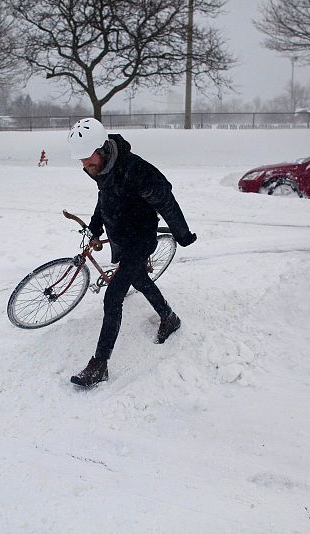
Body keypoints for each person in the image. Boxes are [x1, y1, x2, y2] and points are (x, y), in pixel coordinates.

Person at [67, 118, 197, 387]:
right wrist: (95, 226)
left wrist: (182, 235)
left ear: (103, 149)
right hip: (121, 237)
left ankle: (100, 364)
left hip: (140, 239)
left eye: (87, 159)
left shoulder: (137, 170)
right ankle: (169, 318)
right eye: (80, 160)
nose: (84, 165)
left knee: (113, 296)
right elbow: (104, 198)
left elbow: (166, 200)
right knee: (139, 279)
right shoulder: (99, 168)